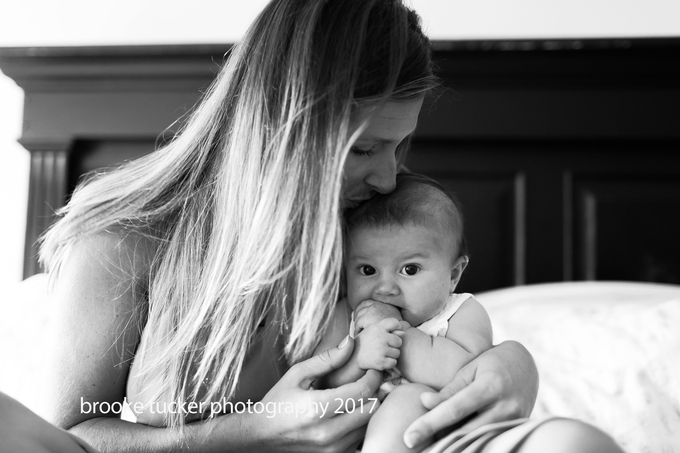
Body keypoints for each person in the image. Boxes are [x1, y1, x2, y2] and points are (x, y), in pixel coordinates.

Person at [38, 1, 543, 452]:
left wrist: (516, 365)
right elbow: (69, 437)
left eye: (399, 144)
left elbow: (438, 324)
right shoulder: (123, 239)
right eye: (364, 149)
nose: (390, 177)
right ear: (285, 132)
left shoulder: (370, 214)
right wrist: (256, 431)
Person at [314, 173, 624, 453]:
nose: (385, 288)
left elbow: (461, 373)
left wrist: (399, 336)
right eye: (367, 270)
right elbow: (325, 381)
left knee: (576, 440)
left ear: (453, 275)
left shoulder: (461, 312)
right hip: (353, 439)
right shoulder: (348, 314)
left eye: (409, 269)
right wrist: (359, 358)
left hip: (451, 439)